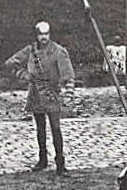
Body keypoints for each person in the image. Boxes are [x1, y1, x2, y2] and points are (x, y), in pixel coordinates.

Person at [5, 21, 75, 176]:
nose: (44, 37)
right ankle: (42, 159)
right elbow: (11, 63)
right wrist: (24, 75)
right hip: (36, 93)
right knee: (40, 128)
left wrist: (68, 94)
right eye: (41, 34)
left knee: (56, 128)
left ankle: (60, 163)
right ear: (36, 35)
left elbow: (68, 75)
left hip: (51, 93)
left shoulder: (58, 51)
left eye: (46, 33)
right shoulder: (30, 50)